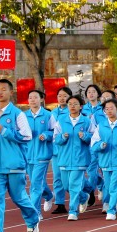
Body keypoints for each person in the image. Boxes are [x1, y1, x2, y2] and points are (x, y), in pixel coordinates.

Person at [0, 79, 40, 232]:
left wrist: (6, 132)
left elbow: (27, 136)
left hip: (14, 164)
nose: (0, 92)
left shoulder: (17, 114)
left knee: (19, 197)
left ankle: (33, 219)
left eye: (3, 89)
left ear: (10, 92)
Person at [53, 95, 93, 221]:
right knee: (66, 186)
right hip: (64, 159)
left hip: (80, 158)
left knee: (74, 185)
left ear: (81, 106)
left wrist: (85, 136)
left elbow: (94, 137)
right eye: (70, 104)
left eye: (75, 104)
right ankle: (83, 197)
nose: (72, 106)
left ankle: (73, 211)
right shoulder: (61, 120)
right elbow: (55, 139)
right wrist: (62, 137)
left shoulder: (86, 121)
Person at [24, 89, 55, 215]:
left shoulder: (48, 115)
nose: (33, 100)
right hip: (27, 154)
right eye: (30, 97)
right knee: (36, 182)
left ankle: (35, 212)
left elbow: (55, 132)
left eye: (35, 97)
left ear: (41, 99)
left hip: (42, 154)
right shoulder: (23, 116)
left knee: (35, 184)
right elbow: (17, 132)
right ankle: (48, 195)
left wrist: (46, 135)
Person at [48, 86, 73, 214]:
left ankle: (85, 192)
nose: (62, 98)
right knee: (57, 177)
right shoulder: (52, 113)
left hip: (70, 151)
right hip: (56, 151)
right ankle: (60, 203)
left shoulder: (72, 112)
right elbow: (50, 130)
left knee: (72, 178)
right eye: (60, 96)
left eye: (65, 96)